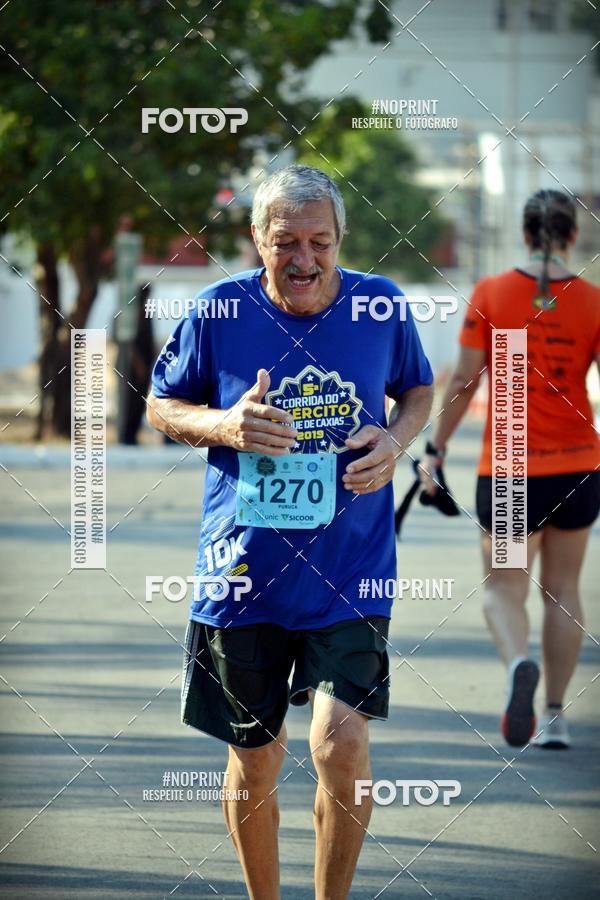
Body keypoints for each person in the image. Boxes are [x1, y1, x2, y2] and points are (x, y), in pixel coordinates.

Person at [146, 164, 434, 899]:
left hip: (351, 565)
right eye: (285, 243)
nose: (302, 259)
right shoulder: (217, 312)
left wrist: (396, 440)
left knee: (341, 745)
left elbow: (419, 388)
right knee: (259, 757)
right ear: (256, 239)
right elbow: (161, 404)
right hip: (243, 570)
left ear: (341, 240)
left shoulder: (382, 307)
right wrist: (226, 425)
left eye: (318, 242)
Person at [420, 188, 600, 749]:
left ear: (525, 233)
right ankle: (554, 715)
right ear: (572, 235)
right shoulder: (593, 302)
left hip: (511, 471)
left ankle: (518, 663)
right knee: (564, 589)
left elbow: (465, 380)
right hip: (577, 467)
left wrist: (436, 447)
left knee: (503, 587)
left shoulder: (493, 293)